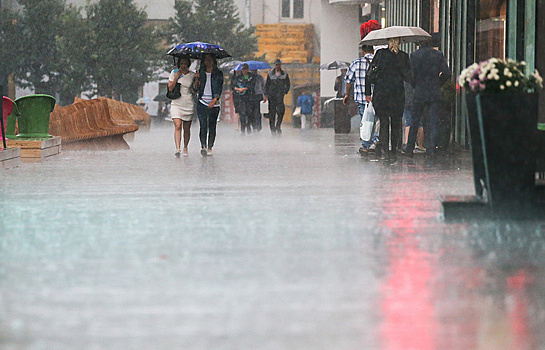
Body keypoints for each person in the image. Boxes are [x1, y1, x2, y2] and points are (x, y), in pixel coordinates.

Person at [365, 37, 413, 162]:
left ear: (388, 41)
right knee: (396, 123)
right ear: (399, 42)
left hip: (381, 94)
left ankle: (386, 151)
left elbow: (369, 74)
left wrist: (367, 93)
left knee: (384, 123)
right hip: (397, 94)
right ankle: (393, 152)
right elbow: (408, 76)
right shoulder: (403, 56)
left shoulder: (380, 54)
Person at [404, 39, 451, 157]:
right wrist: (438, 83)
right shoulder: (438, 55)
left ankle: (409, 148)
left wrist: (416, 84)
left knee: (415, 120)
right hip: (434, 92)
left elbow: (410, 75)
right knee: (433, 121)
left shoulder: (414, 55)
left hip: (420, 92)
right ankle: (431, 149)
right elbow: (447, 73)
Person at [344, 45, 377, 154]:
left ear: (363, 51)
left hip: (362, 98)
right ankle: (376, 141)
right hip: (378, 97)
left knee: (365, 120)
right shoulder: (379, 61)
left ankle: (367, 145)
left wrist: (347, 94)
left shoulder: (356, 63)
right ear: (373, 50)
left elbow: (349, 80)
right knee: (377, 120)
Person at [194, 53, 224, 157]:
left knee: (212, 125)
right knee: (203, 125)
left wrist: (214, 100)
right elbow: (194, 89)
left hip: (214, 103)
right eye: (206, 59)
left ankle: (210, 146)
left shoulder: (218, 73)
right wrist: (196, 79)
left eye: (210, 59)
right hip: (202, 102)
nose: (208, 61)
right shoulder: (200, 72)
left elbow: (220, 88)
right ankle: (203, 146)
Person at [168, 56, 196, 157]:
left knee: (186, 128)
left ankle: (185, 147)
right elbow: (170, 88)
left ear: (188, 64)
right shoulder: (174, 72)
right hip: (176, 103)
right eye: (181, 64)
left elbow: (194, 90)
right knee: (178, 125)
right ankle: (178, 149)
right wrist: (176, 77)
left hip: (188, 102)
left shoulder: (192, 75)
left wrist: (196, 80)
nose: (183, 66)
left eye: (185, 64)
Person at [264, 59, 290, 135]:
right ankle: (272, 129)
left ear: (280, 65)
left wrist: (284, 91)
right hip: (271, 96)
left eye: (278, 65)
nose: (277, 66)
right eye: (276, 65)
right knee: (272, 113)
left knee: (281, 112)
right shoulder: (270, 74)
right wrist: (266, 94)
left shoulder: (284, 74)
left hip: (280, 96)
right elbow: (266, 85)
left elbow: (288, 84)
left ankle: (278, 126)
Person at [231, 63, 256, 135]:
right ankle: (242, 129)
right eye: (243, 69)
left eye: (245, 69)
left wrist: (245, 88)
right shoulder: (238, 77)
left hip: (250, 98)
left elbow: (252, 85)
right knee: (242, 114)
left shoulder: (251, 77)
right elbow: (233, 86)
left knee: (250, 113)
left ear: (248, 69)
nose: (244, 70)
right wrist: (238, 89)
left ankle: (248, 125)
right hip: (241, 98)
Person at [334, 68, 350, 133]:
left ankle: (346, 129)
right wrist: (336, 83)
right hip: (340, 97)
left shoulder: (349, 78)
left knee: (346, 114)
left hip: (347, 97)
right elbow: (335, 89)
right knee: (338, 114)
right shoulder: (339, 78)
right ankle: (338, 129)